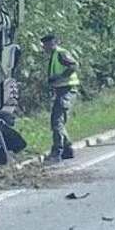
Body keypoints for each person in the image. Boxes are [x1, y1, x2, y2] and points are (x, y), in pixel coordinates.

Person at [41, 34, 80, 164]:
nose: (45, 47)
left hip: (67, 90)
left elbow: (73, 66)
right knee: (58, 121)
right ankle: (67, 149)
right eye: (44, 44)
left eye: (47, 44)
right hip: (61, 90)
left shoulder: (60, 53)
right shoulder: (54, 55)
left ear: (54, 43)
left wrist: (60, 77)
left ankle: (57, 152)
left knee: (56, 121)